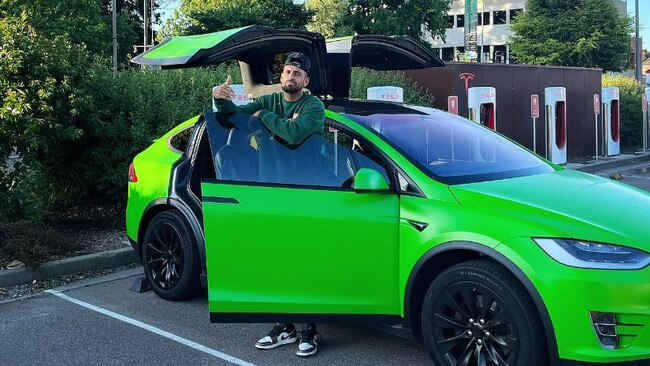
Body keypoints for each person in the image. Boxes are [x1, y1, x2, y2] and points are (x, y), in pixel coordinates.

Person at [212, 52, 325, 357]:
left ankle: (309, 330)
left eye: (297, 74)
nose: (291, 77)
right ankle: (284, 326)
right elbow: (232, 119)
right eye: (287, 72)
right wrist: (220, 100)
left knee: (302, 263)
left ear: (306, 81)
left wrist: (264, 118)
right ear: (282, 76)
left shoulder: (313, 106)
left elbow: (294, 135)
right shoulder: (269, 101)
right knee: (277, 262)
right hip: (269, 195)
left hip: (305, 195)